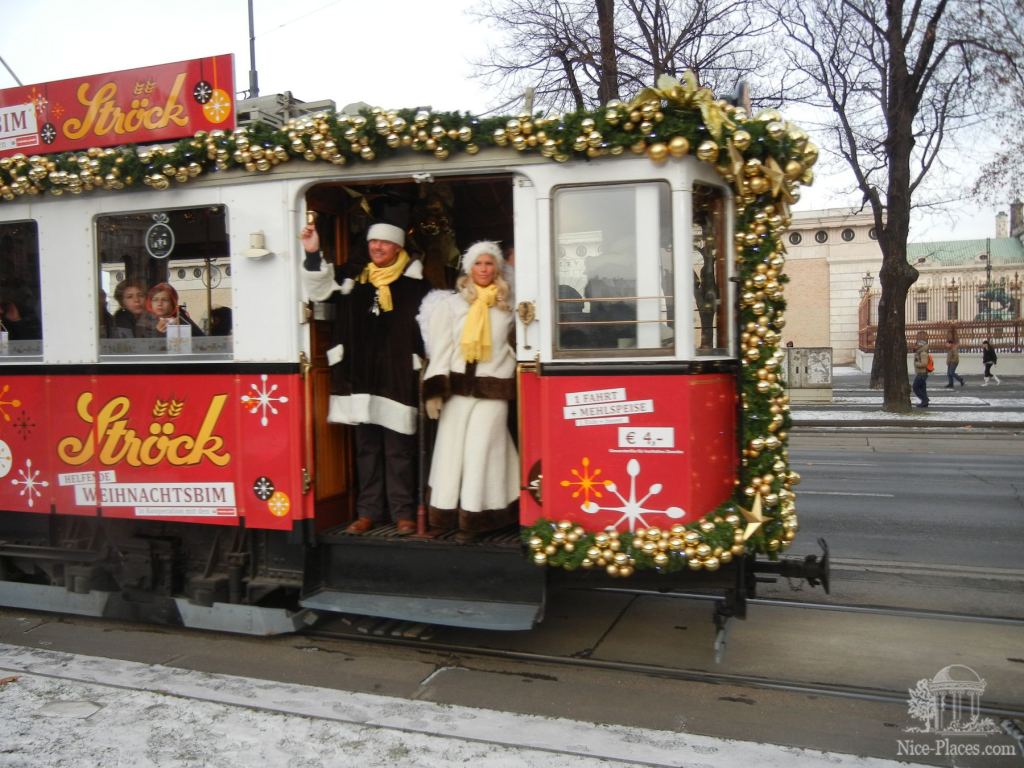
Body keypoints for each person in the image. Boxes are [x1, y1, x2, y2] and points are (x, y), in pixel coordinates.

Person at [300, 218, 430, 536]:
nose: (377, 247)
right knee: (367, 448)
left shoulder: (416, 284)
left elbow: (433, 327)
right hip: (360, 374)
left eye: (384, 242)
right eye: (373, 242)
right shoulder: (353, 277)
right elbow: (320, 290)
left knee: (399, 449)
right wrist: (313, 253)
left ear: (397, 247)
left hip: (397, 373)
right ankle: (368, 512)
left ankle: (403, 512)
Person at [421, 241, 518, 541]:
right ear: (469, 268)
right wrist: (434, 389)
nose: (484, 269)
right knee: (450, 452)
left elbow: (518, 349)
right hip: (458, 389)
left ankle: (475, 519)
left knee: (481, 451)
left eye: (489, 263)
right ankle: (443, 515)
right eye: (478, 263)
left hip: (493, 389)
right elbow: (442, 348)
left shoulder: (509, 305)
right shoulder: (451, 305)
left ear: (497, 268)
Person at [136, 283, 204, 337]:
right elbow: (141, 346)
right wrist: (158, 333)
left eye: (164, 300)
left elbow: (202, 340)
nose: (159, 303)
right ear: (150, 303)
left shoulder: (181, 318)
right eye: (155, 300)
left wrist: (182, 329)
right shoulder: (144, 322)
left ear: (172, 303)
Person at [912, 332, 930, 407]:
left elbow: (924, 364)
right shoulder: (919, 353)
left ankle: (925, 400)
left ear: (920, 345)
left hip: (922, 373)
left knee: (915, 387)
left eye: (916, 345)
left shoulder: (923, 353)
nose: (914, 346)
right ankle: (924, 402)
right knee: (922, 388)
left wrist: (917, 364)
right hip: (921, 373)